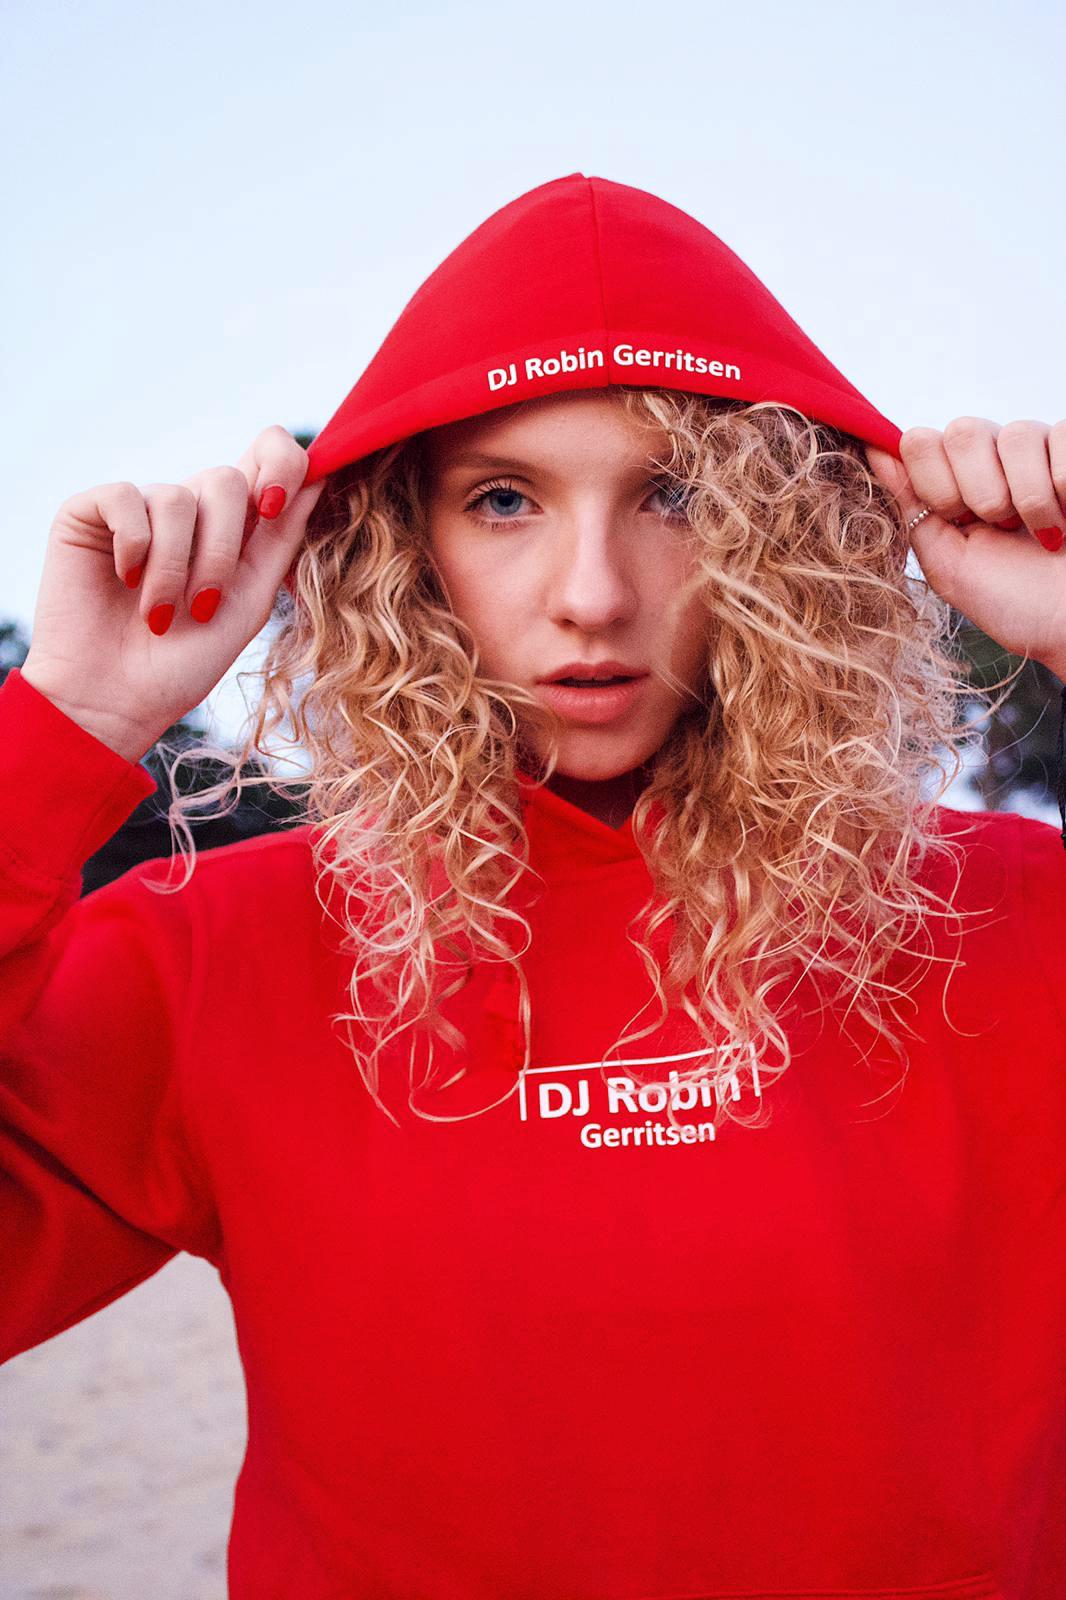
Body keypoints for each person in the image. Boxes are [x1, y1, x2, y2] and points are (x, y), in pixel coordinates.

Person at [2, 171, 1064, 1598]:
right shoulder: (213, 950)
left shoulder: (1013, 914)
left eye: (676, 495)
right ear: (403, 542)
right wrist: (64, 727)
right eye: (502, 500)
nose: (593, 594)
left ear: (792, 532)